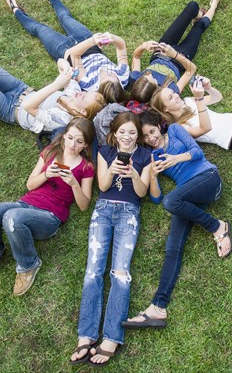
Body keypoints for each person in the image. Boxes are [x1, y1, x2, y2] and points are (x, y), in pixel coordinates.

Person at [122, 107, 232, 330]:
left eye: (152, 132)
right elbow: (156, 198)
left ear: (159, 125)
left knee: (171, 203)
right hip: (188, 196)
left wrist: (175, 159)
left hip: (208, 179)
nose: (151, 139)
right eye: (145, 137)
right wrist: (152, 175)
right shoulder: (153, 156)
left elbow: (197, 152)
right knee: (173, 245)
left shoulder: (175, 129)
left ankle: (217, 226)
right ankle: (158, 307)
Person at [69, 112, 152, 367]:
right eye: (122, 132)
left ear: (138, 135)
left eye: (132, 133)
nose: (127, 137)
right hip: (103, 211)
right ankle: (86, 334)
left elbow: (142, 193)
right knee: (93, 271)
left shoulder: (145, 156)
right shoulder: (105, 151)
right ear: (115, 133)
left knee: (120, 273)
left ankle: (112, 337)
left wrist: (134, 174)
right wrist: (113, 168)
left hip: (129, 214)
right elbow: (103, 187)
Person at [0, 118, 95, 295]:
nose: (72, 144)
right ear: (64, 136)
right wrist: (46, 174)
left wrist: (74, 184)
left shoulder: (86, 167)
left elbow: (84, 205)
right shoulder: (49, 152)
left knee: (12, 218)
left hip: (50, 216)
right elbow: (30, 185)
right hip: (25, 204)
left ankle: (28, 265)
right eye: (70, 138)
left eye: (79, 141)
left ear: (86, 145)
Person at [4, 0, 129, 104]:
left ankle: (17, 11)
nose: (107, 73)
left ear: (99, 89)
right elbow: (122, 46)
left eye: (104, 78)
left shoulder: (89, 84)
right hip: (88, 42)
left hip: (67, 51)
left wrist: (92, 41)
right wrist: (112, 38)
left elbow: (74, 54)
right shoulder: (122, 76)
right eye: (112, 76)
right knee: (65, 17)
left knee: (40, 29)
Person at [0, 53, 105, 132]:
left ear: (83, 111)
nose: (81, 93)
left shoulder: (62, 120)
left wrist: (57, 84)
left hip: (10, 108)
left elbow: (28, 106)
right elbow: (60, 62)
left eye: (84, 97)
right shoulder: (74, 94)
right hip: (20, 88)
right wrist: (66, 67)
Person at [128, 0, 225, 104]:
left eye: (145, 75)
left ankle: (199, 14)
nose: (148, 74)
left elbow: (136, 56)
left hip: (161, 49)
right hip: (181, 59)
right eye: (150, 78)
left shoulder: (136, 81)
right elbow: (191, 70)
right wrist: (174, 54)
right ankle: (215, 3)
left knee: (192, 6)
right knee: (199, 27)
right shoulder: (170, 92)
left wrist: (144, 46)